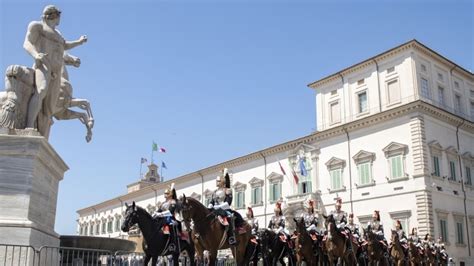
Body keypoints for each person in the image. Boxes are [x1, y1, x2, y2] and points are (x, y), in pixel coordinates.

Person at [23, 5, 87, 135]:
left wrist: (79, 42)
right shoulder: (37, 26)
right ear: (53, 16)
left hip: (57, 72)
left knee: (50, 107)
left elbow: (65, 46)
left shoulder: (58, 33)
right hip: (44, 65)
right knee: (41, 90)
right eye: (58, 16)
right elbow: (27, 43)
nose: (60, 19)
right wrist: (36, 55)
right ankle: (29, 125)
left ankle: (42, 131)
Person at [208, 168, 237, 245]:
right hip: (214, 210)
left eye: (218, 181)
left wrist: (217, 207)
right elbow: (212, 201)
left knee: (229, 218)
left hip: (224, 209)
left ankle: (231, 237)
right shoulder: (215, 192)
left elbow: (228, 203)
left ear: (223, 181)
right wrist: (209, 206)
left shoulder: (227, 190)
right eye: (216, 181)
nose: (217, 182)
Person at [153, 183, 179, 251]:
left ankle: (173, 244)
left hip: (171, 219)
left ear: (170, 194)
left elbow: (170, 212)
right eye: (165, 194)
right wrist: (155, 214)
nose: (165, 195)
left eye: (167, 194)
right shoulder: (163, 203)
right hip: (163, 219)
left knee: (171, 227)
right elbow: (159, 211)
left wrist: (160, 214)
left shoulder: (173, 202)